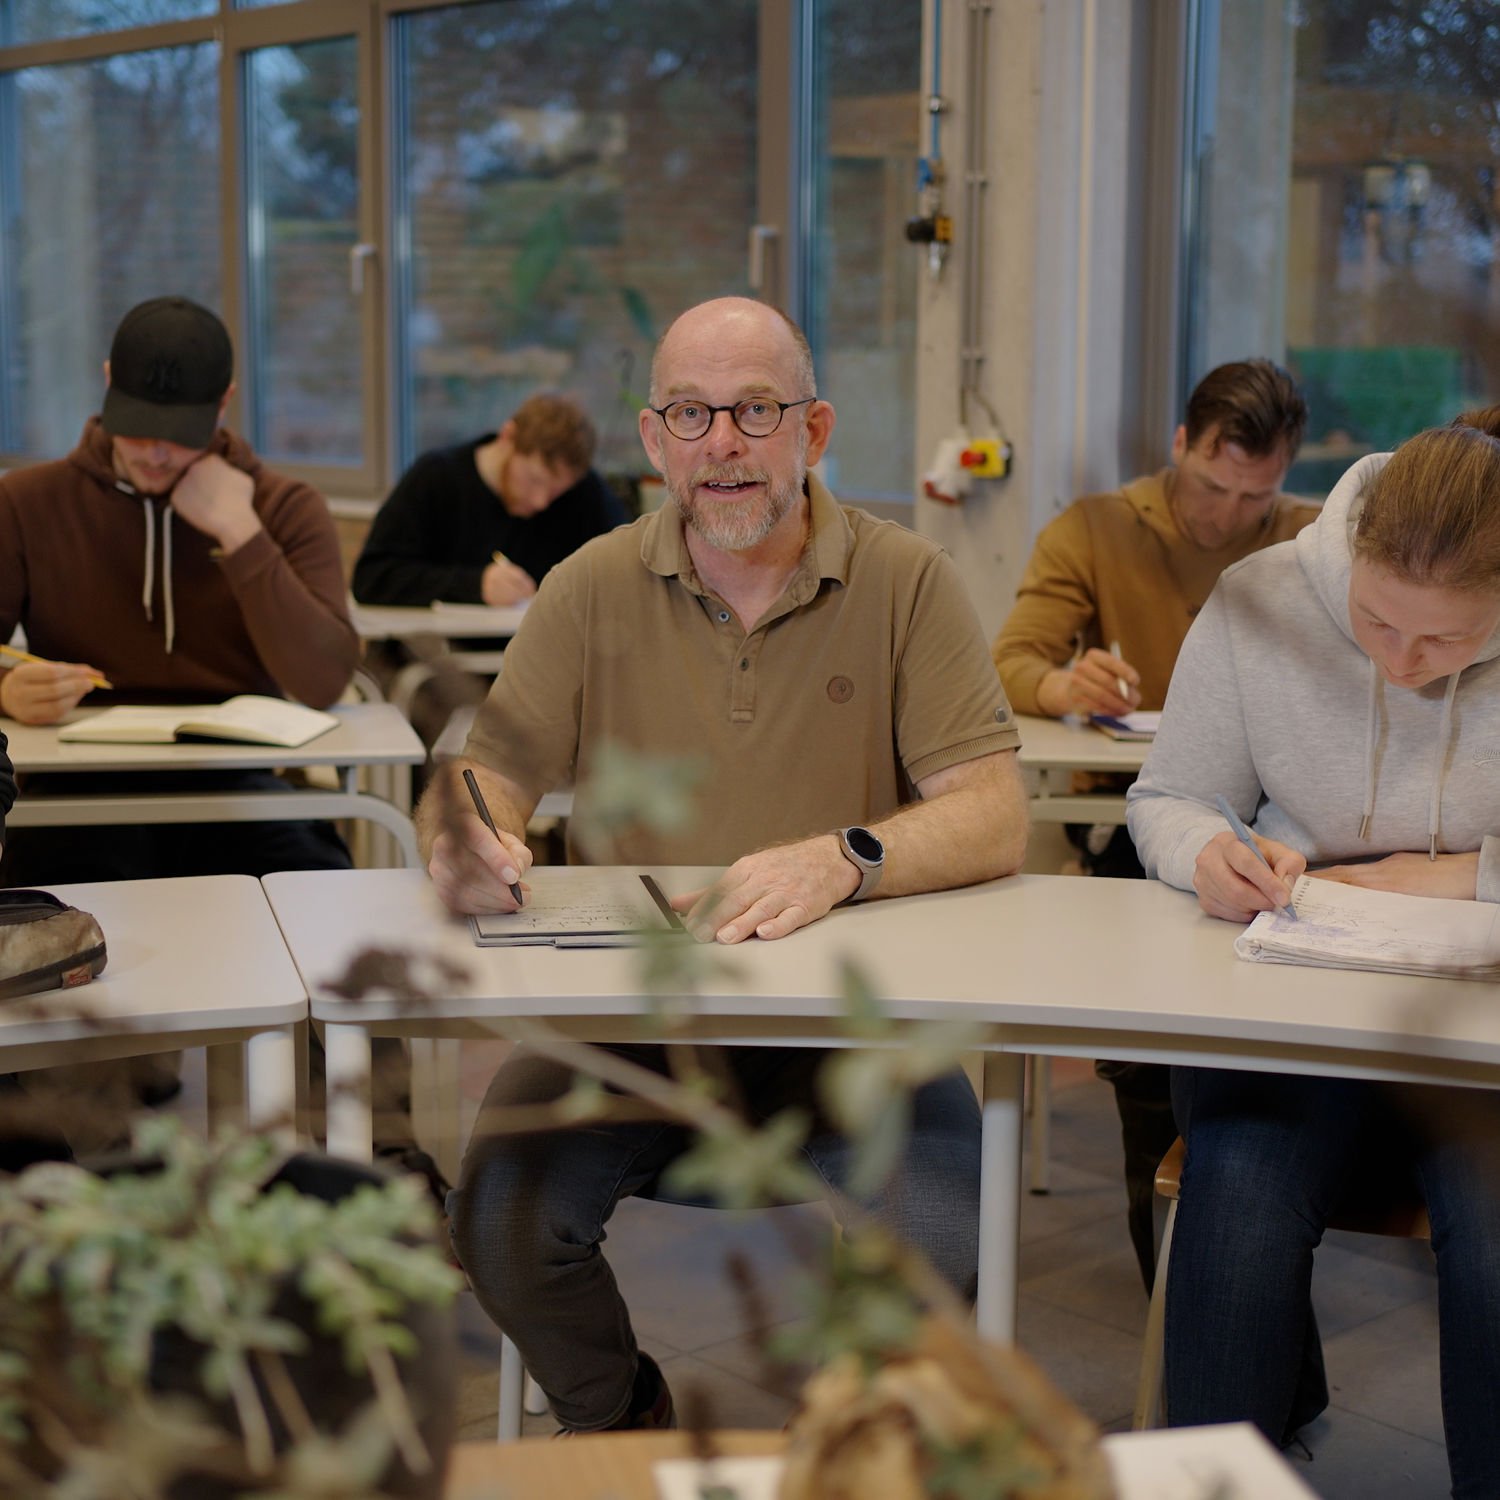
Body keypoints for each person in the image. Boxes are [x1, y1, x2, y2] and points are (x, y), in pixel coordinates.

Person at [417, 295, 1030, 1434]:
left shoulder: (908, 582)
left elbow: (994, 814)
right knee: (497, 1223)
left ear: (816, 429)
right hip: (631, 1028)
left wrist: (850, 857)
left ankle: (849, 1450)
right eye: (691, 415)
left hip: (861, 1030)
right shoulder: (589, 586)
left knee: (944, 1230)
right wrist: (469, 836)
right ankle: (624, 1427)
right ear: (652, 444)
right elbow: (483, 776)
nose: (724, 446)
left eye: (756, 409)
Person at [1126, 409, 1500, 1497]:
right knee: (1236, 1200)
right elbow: (1172, 794)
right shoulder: (1263, 599)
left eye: (1448, 642)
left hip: (1472, 1034)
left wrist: (1453, 875)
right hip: (1298, 998)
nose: (1403, 664)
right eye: (1377, 623)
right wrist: (1206, 855)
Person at [991, 358, 1315, 1292]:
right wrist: (1063, 683)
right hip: (1133, 826)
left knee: (1258, 1077)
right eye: (1213, 485)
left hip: (1281, 829)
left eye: (1256, 495)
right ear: (1179, 445)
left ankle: (1234, 1273)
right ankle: (1188, 1294)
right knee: (1147, 1065)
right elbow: (1012, 657)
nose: (1228, 515)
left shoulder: (1310, 537)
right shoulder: (1095, 529)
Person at [0, 294, 358, 884]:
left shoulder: (285, 507)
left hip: (244, 778)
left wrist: (241, 534)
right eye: (138, 429)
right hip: (75, 782)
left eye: (178, 433)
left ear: (224, 404)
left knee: (315, 889)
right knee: (52, 907)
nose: (156, 453)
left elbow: (322, 682)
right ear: (109, 383)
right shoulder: (27, 502)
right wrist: (9, 689)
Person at [351, 392, 628, 611]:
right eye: (534, 480)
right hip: (441, 663)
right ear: (508, 437)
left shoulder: (583, 493)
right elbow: (371, 579)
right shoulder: (436, 478)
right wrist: (475, 586)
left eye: (556, 492)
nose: (541, 501)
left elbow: (626, 566)